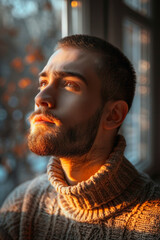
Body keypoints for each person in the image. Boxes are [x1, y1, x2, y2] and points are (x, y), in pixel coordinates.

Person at [0, 34, 160, 240]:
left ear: (113, 115)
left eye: (69, 85)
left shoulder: (153, 222)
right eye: (43, 83)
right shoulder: (23, 205)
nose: (40, 98)